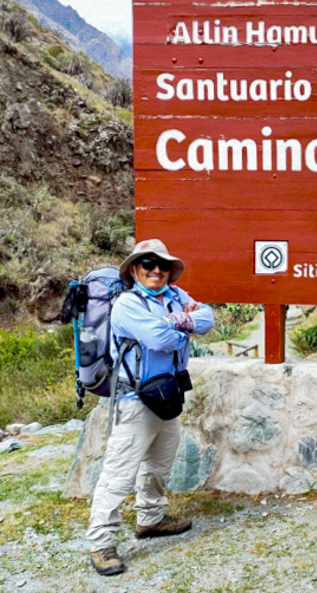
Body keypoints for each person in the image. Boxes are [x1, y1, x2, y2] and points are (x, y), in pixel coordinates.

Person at [87, 239, 213, 576]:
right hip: (134, 398)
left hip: (167, 393)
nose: (156, 269)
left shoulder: (175, 295)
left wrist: (181, 321)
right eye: (147, 264)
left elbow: (208, 318)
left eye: (162, 265)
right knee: (119, 472)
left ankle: (151, 519)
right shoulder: (128, 304)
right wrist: (181, 325)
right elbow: (161, 339)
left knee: (159, 462)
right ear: (133, 270)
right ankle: (101, 543)